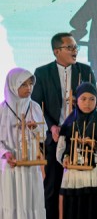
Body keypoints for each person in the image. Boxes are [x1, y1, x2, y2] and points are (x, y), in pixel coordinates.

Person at [31, 32, 95, 219]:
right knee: (51, 188)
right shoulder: (42, 73)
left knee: (79, 188)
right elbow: (36, 106)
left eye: (76, 47)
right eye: (70, 47)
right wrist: (51, 127)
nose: (75, 51)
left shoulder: (85, 71)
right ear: (56, 51)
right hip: (54, 137)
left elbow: (93, 101)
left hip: (79, 138)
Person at [56, 82, 97, 219]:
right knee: (72, 209)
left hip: (93, 173)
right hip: (73, 173)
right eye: (83, 99)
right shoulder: (70, 121)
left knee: (91, 209)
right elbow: (61, 147)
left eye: (92, 99)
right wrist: (65, 158)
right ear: (76, 101)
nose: (88, 103)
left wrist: (94, 145)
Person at [0, 68, 46, 218]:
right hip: (10, 165)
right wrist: (5, 153)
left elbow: (43, 136)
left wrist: (35, 128)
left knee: (32, 202)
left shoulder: (35, 107)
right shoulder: (2, 110)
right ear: (13, 85)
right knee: (12, 203)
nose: (29, 88)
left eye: (31, 84)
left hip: (30, 165)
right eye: (24, 85)